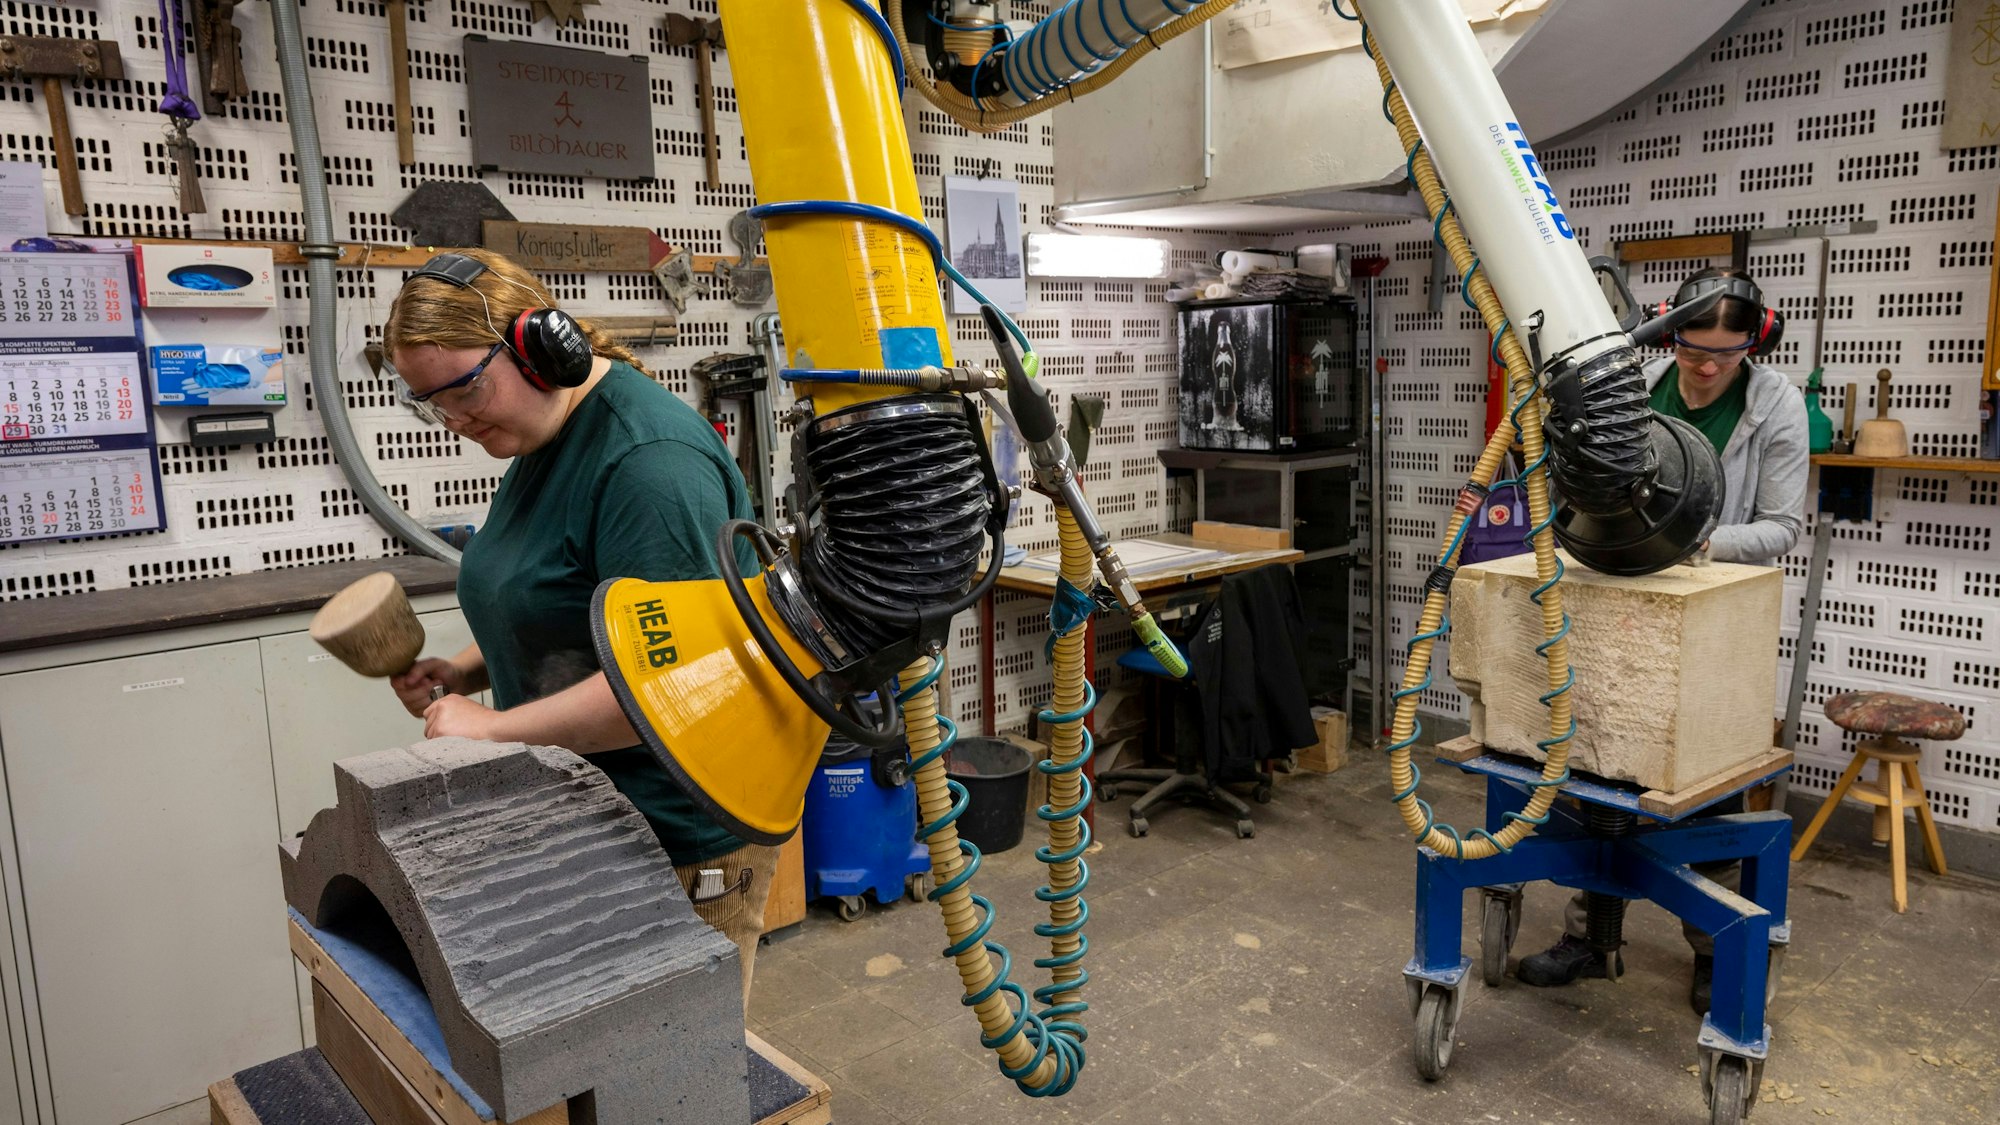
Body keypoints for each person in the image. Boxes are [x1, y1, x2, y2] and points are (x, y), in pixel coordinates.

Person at [381, 249, 773, 1003]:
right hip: (586, 816)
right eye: (433, 403)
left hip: (673, 840)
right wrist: (466, 669)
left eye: (465, 390)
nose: (455, 421)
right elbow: (563, 600)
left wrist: (493, 730)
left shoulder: (651, 465)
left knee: (667, 1063)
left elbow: (672, 690)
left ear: (537, 347)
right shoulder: (543, 435)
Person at [1517, 266, 1808, 1013]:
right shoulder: (1638, 388)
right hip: (1624, 595)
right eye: (1692, 350)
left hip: (1714, 613)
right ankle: (1592, 937)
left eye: (1727, 353)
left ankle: (1712, 948)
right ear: (1667, 333)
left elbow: (1781, 527)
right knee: (1601, 772)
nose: (1707, 367)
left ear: (1755, 343)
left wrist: (1698, 540)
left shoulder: (1775, 406)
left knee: (1705, 796)